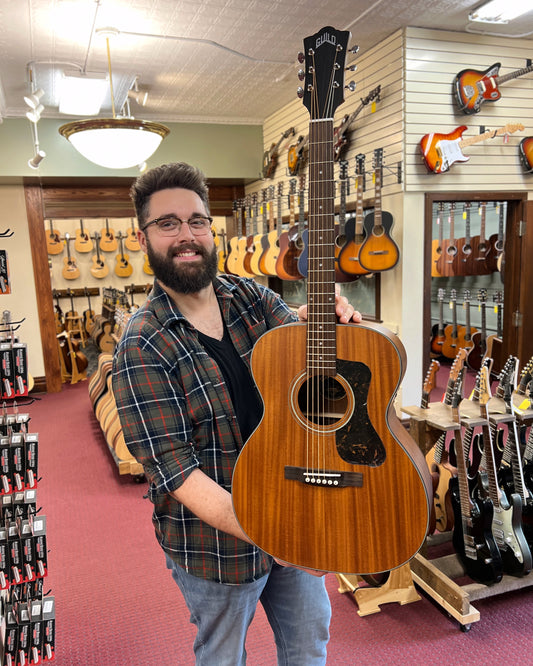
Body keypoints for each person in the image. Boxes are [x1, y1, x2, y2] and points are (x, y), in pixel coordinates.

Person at [112, 162, 362, 665]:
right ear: (143, 239)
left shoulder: (247, 295)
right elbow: (178, 473)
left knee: (310, 641)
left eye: (197, 221)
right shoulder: (141, 345)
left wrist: (328, 318)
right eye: (168, 223)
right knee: (224, 656)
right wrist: (281, 533)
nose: (187, 236)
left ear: (212, 228)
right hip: (217, 548)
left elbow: (297, 335)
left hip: (295, 505)